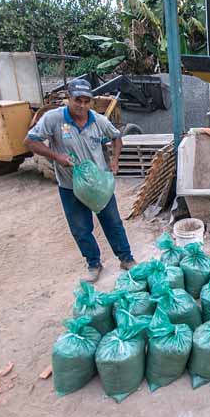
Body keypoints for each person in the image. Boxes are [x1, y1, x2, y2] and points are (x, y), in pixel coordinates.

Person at [24, 79, 135, 282]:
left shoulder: (98, 121)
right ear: (69, 98)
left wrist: (115, 161)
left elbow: (117, 137)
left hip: (99, 184)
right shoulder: (53, 119)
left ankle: (126, 258)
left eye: (86, 101)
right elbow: (30, 141)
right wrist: (56, 157)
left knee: (113, 222)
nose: (82, 106)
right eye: (78, 101)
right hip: (70, 186)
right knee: (81, 228)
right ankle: (94, 264)